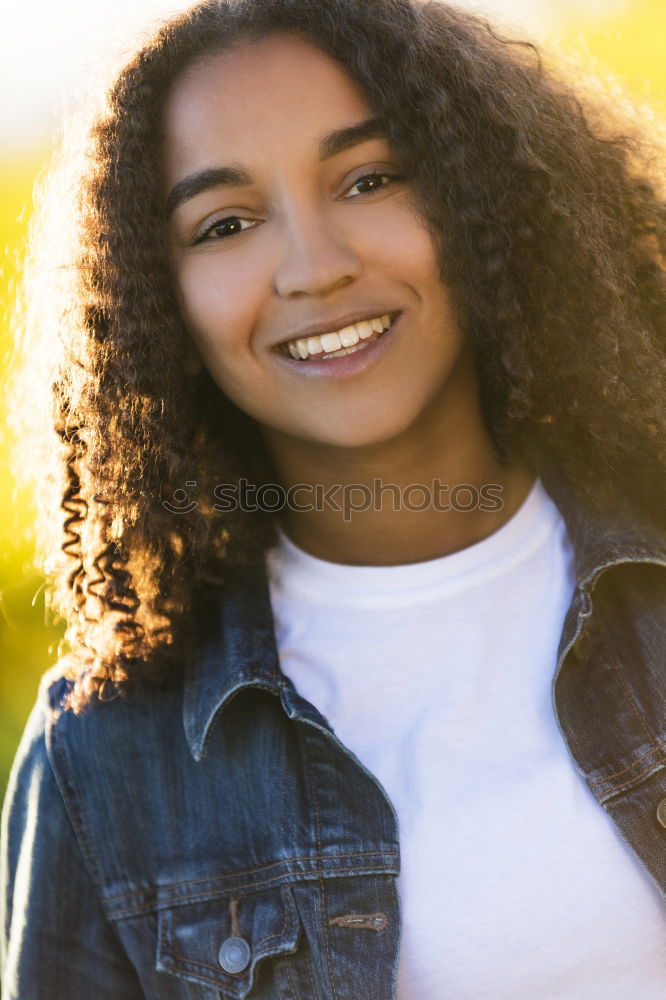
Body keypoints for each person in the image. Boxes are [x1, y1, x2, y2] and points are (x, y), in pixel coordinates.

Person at [1, 0, 665, 996]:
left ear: (483, 193)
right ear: (157, 298)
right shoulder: (105, 760)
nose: (316, 267)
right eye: (224, 223)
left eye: (370, 178)